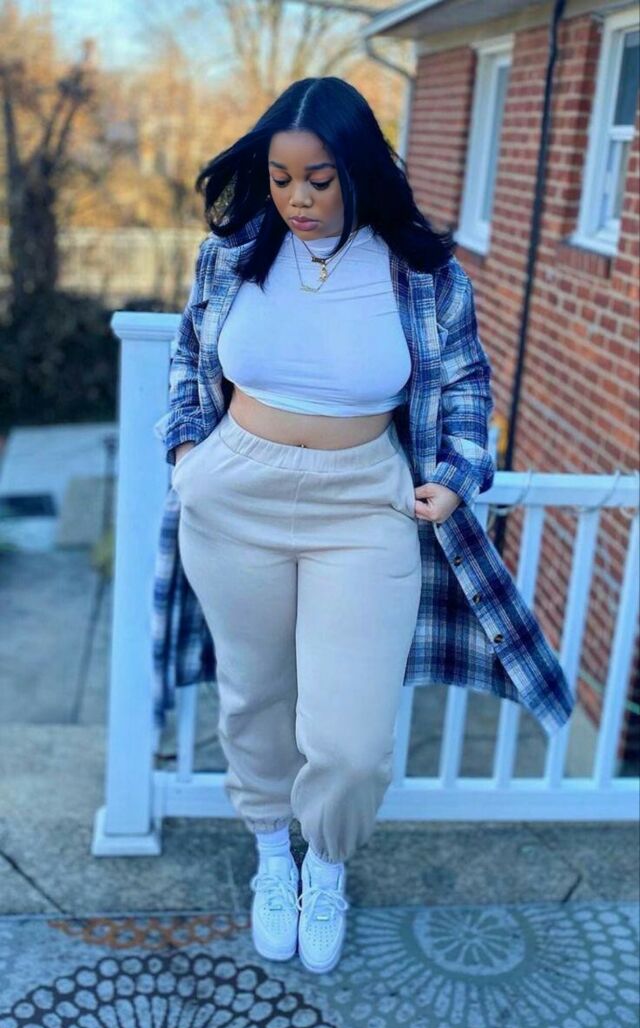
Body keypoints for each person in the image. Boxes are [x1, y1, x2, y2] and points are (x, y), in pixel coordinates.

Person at [156, 76, 574, 975]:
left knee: (350, 742)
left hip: (363, 505)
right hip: (235, 496)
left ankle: (328, 863)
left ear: (359, 171)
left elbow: (466, 384)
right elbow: (189, 356)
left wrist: (457, 476)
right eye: (280, 179)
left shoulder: (421, 273)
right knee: (254, 697)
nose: (297, 200)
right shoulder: (230, 255)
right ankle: (274, 856)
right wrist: (188, 453)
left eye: (319, 179)